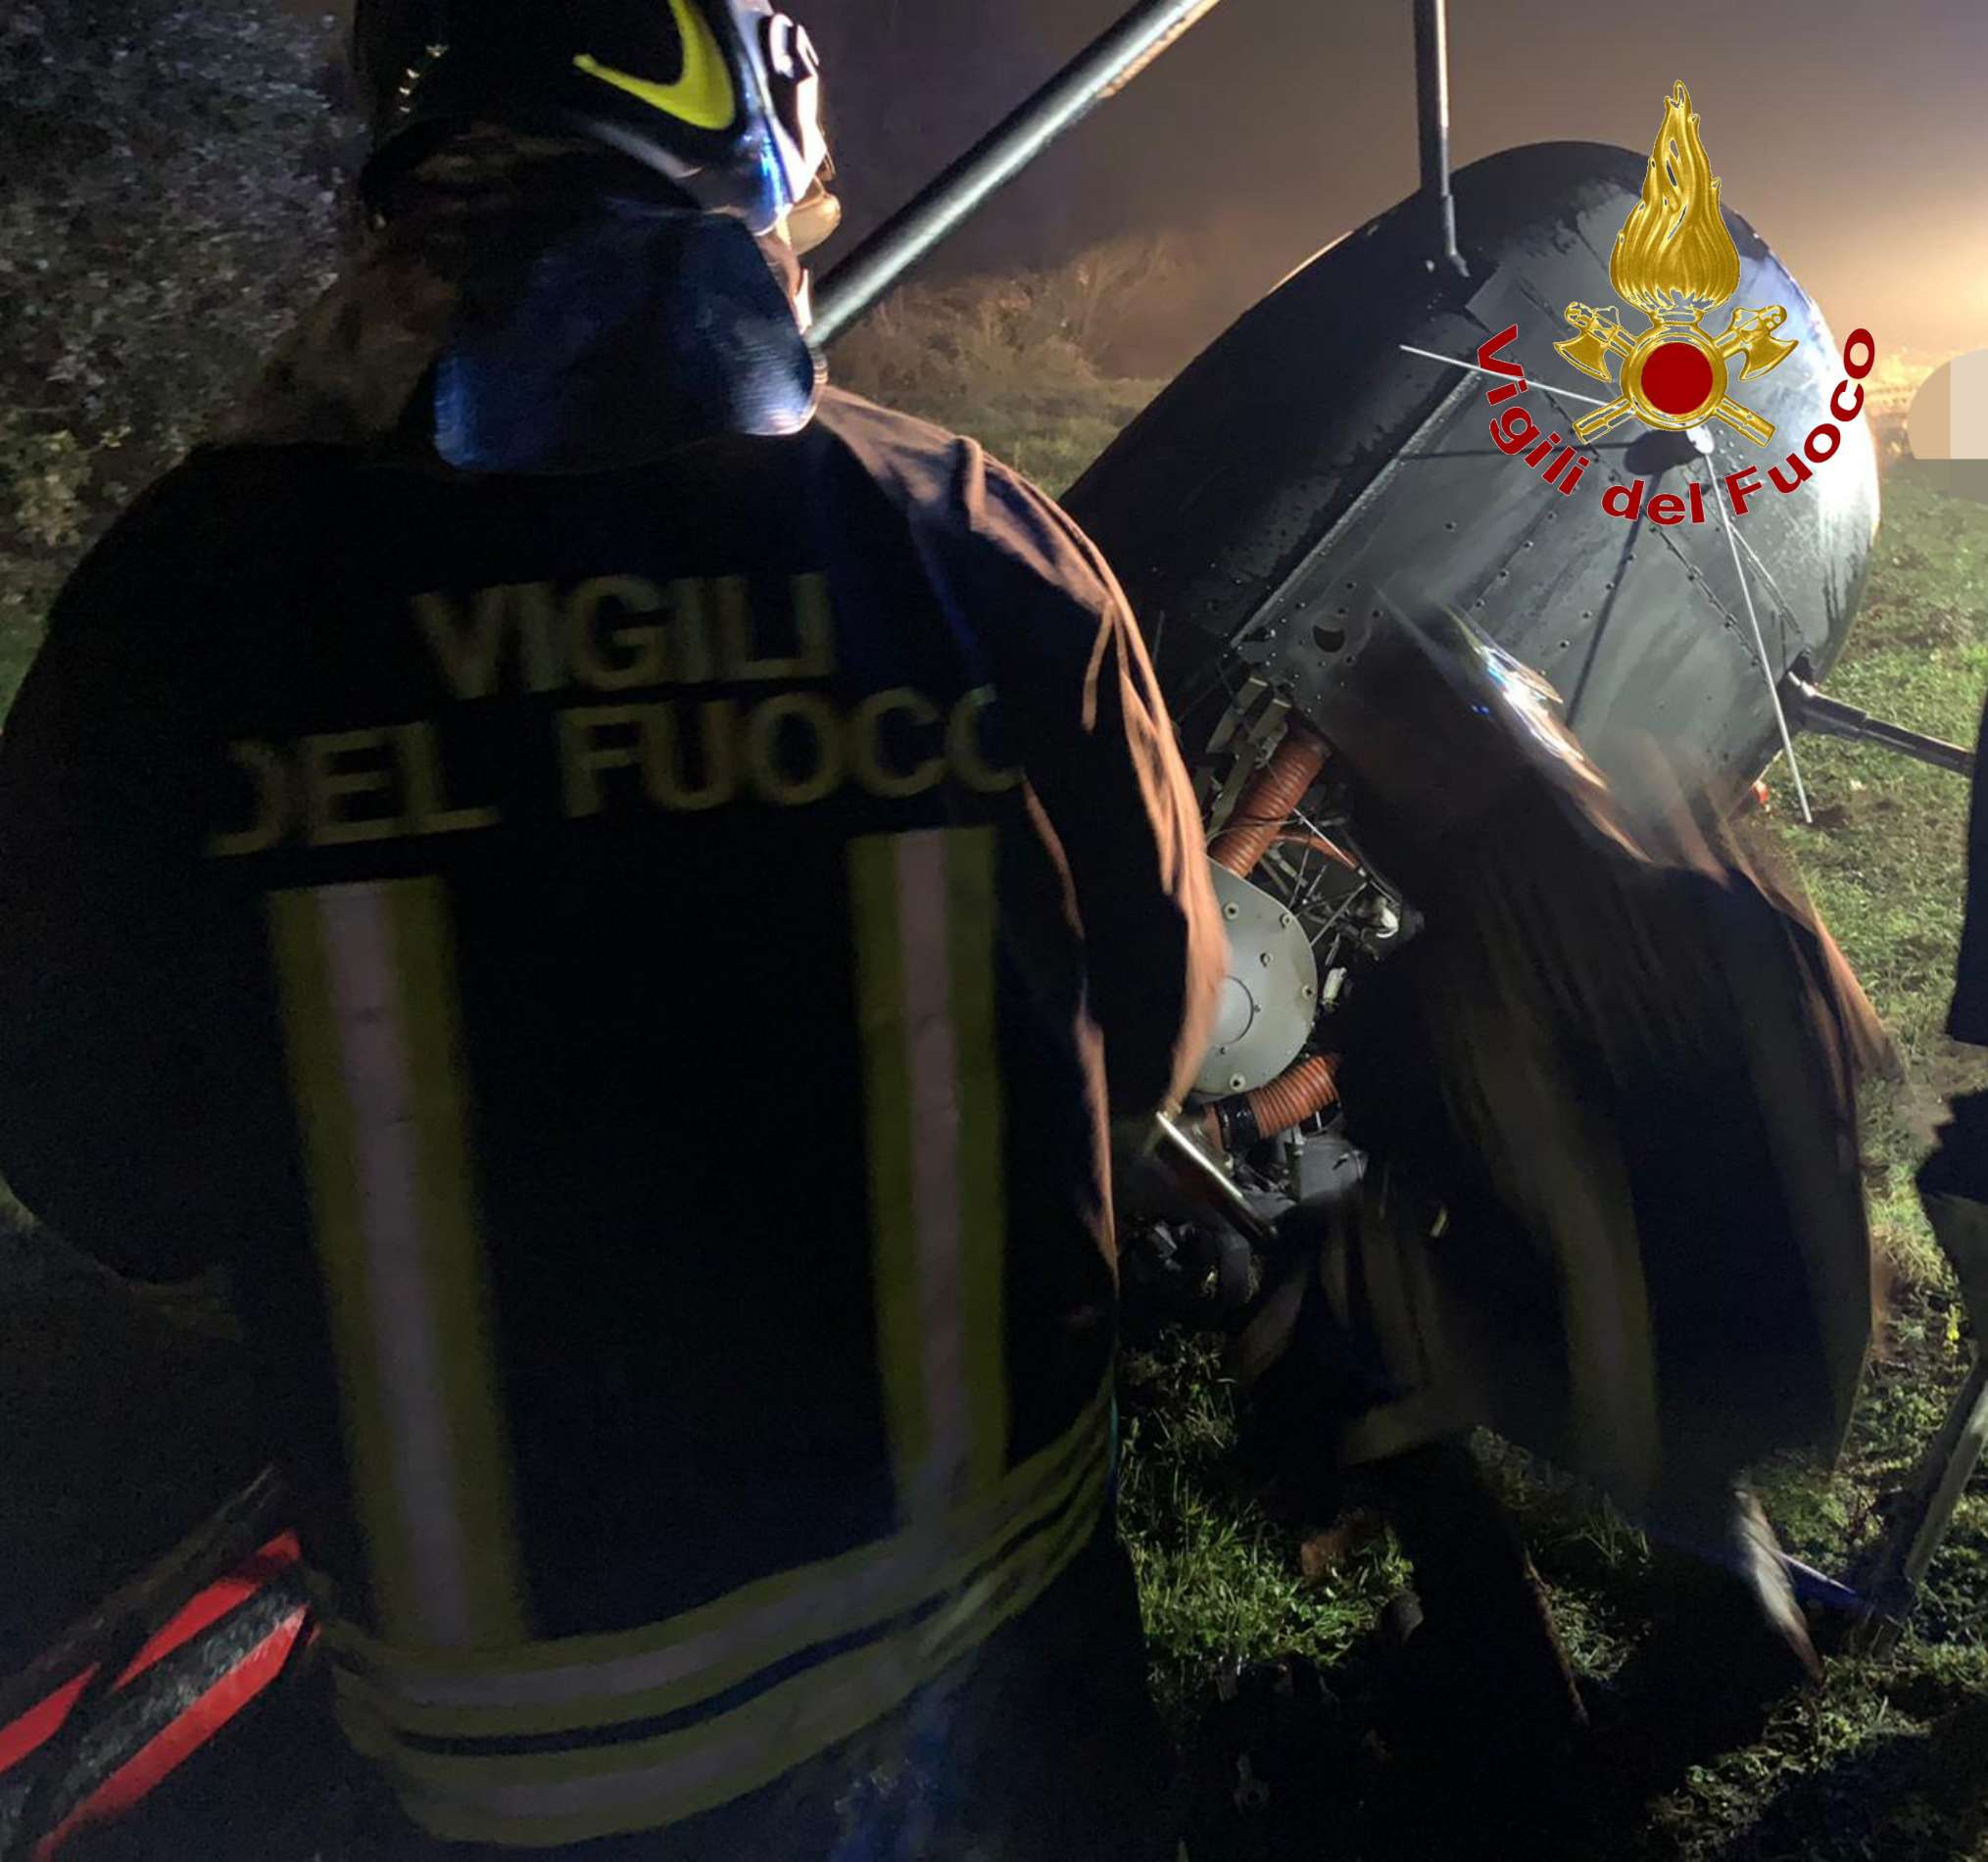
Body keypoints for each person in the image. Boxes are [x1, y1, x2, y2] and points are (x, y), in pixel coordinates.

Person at [0, 4, 1224, 1855]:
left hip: (514, 1744)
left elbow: (102, 1162)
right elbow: (1152, 1030)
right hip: (988, 1640)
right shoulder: (979, 547)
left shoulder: (180, 605)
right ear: (768, 168)